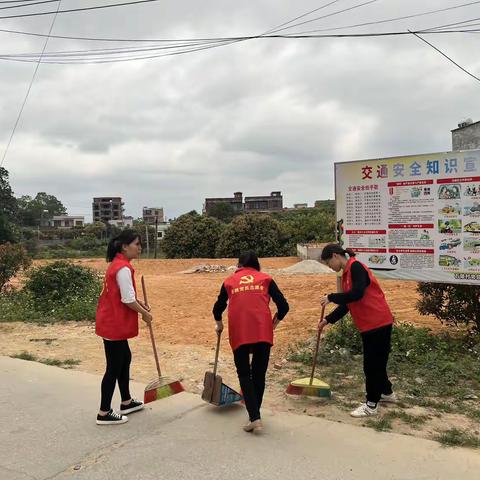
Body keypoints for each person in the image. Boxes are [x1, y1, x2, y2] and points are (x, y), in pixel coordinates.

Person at [212, 251, 289, 433]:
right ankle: (255, 415)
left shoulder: (230, 281)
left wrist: (219, 324)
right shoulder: (266, 279)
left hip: (240, 332)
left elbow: (218, 307)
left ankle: (255, 417)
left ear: (239, 266)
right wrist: (274, 323)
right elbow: (284, 306)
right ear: (257, 266)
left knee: (244, 374)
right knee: (259, 374)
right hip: (263, 330)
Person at [318, 244, 396, 418]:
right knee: (378, 362)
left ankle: (371, 405)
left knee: (371, 365)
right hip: (370, 324)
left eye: (329, 263)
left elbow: (357, 294)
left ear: (336, 256)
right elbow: (348, 303)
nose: (330, 267)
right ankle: (387, 393)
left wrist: (331, 297)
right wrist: (327, 320)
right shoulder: (347, 274)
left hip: (377, 322)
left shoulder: (356, 267)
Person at [95, 230, 152, 425]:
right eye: (137, 244)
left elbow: (127, 294)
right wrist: (144, 313)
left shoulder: (118, 265)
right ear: (124, 247)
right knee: (113, 367)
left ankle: (126, 401)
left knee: (124, 358)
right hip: (114, 323)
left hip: (111, 321)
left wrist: (141, 303)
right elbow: (127, 299)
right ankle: (104, 412)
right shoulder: (123, 268)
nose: (140, 248)